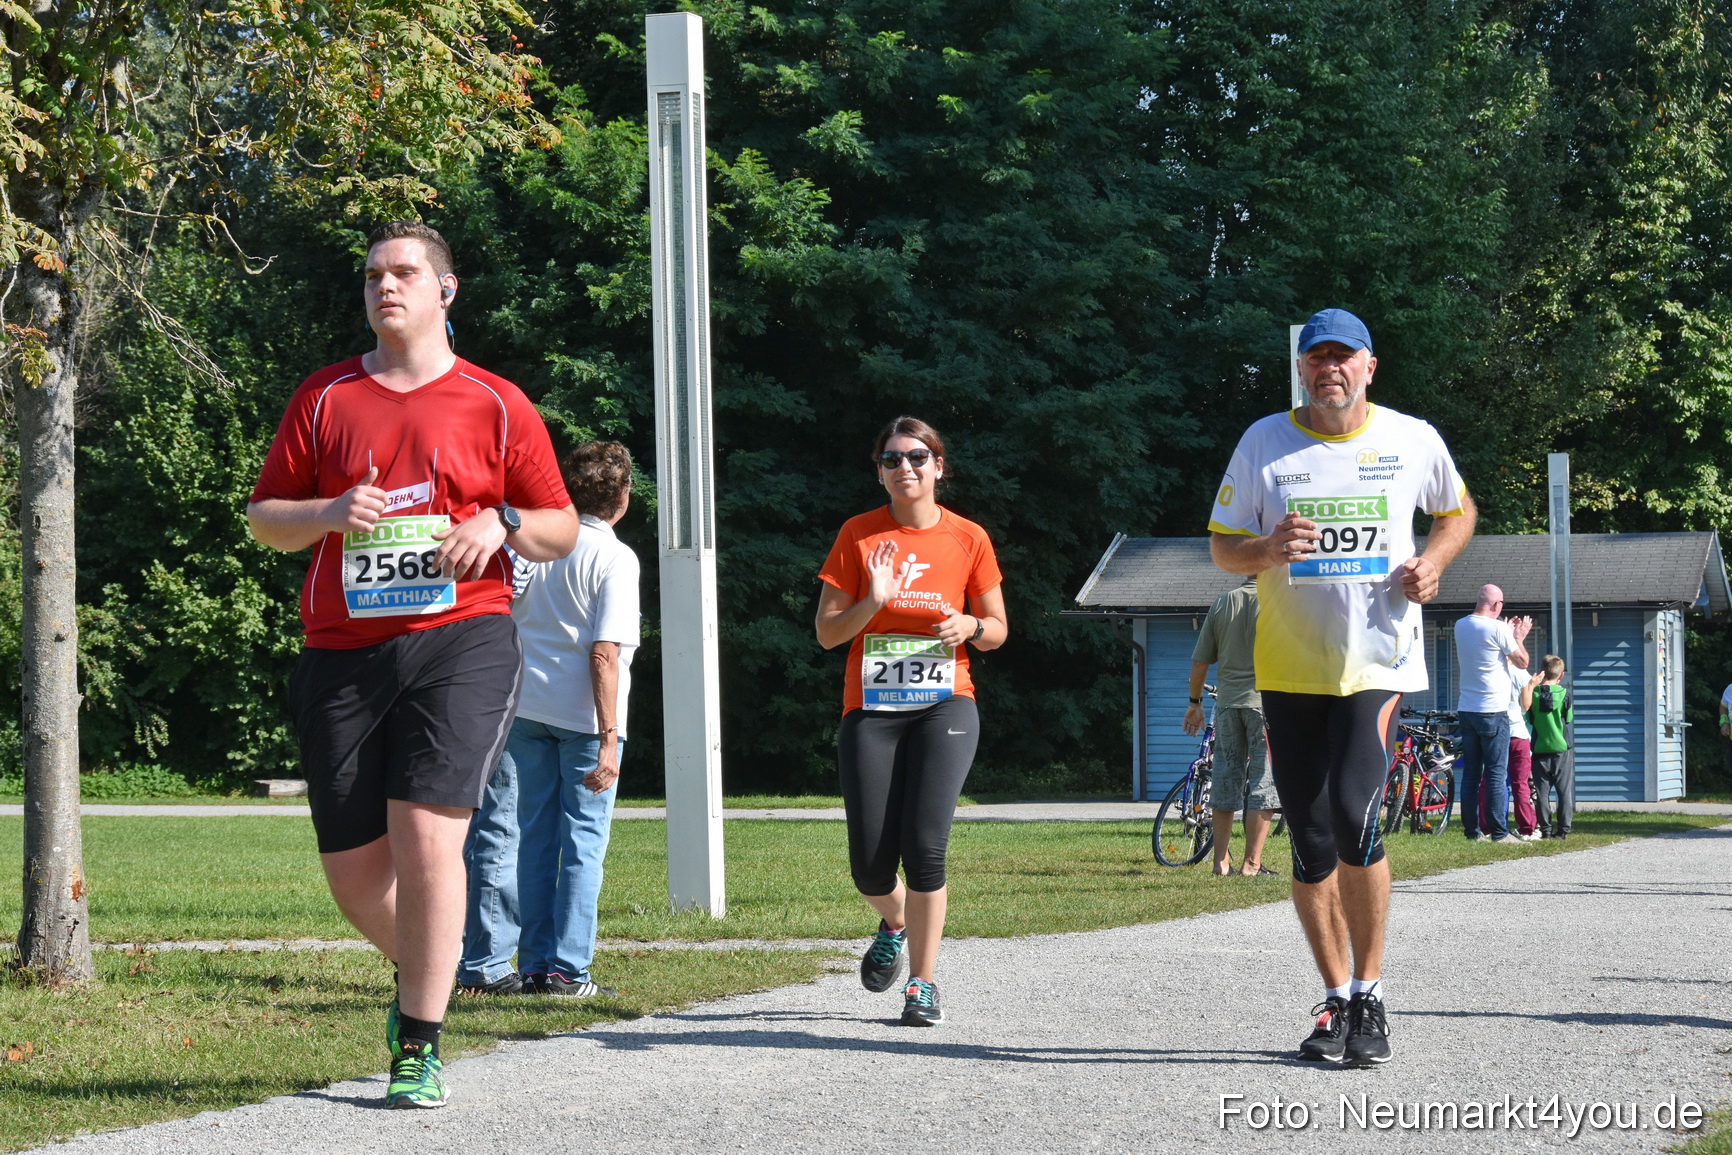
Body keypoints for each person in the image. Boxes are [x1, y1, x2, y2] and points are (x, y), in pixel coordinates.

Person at [246, 220, 579, 1109]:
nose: (385, 287)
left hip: (464, 638)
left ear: (446, 290)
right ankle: (425, 970)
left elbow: (561, 525)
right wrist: (326, 510)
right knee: (355, 875)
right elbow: (265, 518)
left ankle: (420, 1042)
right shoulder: (324, 398)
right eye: (372, 276)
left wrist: (498, 523)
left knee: (431, 837)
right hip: (343, 653)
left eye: (403, 273)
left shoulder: (496, 401)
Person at [1208, 307, 1474, 1068]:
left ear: (1368, 366)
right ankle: (1336, 996)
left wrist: (1434, 561)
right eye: (1316, 357)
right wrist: (1262, 547)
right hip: (1289, 670)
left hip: (1376, 664)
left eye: (1343, 357)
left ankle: (1373, 992)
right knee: (1313, 838)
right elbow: (1224, 549)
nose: (1330, 368)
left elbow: (1457, 511)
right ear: (1301, 368)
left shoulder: (1410, 437)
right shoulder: (1265, 440)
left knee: (1356, 817)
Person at [815, 416, 1007, 1027]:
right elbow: (826, 634)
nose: (906, 469)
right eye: (892, 460)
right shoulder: (859, 535)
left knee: (925, 849)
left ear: (939, 466)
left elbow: (999, 631)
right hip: (872, 710)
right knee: (870, 864)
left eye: (917, 458)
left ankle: (922, 984)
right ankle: (895, 920)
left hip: (946, 704)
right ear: (880, 471)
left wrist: (970, 628)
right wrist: (873, 599)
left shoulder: (968, 538)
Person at [458, 441, 639, 999]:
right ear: (623, 499)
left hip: (525, 710)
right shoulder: (614, 557)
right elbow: (604, 653)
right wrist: (610, 738)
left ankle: (533, 963)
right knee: (583, 841)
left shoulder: (533, 548)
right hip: (585, 718)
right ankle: (568, 969)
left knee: (531, 839)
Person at [1183, 579, 1279, 877]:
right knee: (1263, 782)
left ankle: (1220, 862)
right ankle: (1251, 864)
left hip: (1226, 705)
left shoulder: (1223, 602)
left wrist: (1194, 703)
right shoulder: (1281, 601)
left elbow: (1200, 662)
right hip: (1266, 704)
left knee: (1225, 777)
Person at [1454, 587, 1531, 842]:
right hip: (1493, 711)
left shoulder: (1460, 625)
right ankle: (1499, 832)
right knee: (1497, 772)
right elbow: (1522, 662)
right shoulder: (1498, 629)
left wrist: (1505, 632)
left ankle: (1471, 832)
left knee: (1472, 774)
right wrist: (1517, 637)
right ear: (1497, 604)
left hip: (1467, 708)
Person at [1528, 654, 1575, 839]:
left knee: (1542, 793)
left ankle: (1545, 830)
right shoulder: (1564, 694)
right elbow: (1568, 718)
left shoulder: (1535, 693)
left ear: (1542, 672)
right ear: (1561, 675)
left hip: (1540, 748)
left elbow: (1530, 718)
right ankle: (1563, 830)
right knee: (1564, 792)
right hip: (1562, 749)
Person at [1503, 657, 1541, 840]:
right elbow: (1525, 705)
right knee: (1521, 783)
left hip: (1497, 732)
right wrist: (1532, 684)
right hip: (1518, 732)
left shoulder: (1488, 671)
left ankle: (1493, 825)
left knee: (1495, 781)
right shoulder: (1520, 673)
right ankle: (1527, 827)